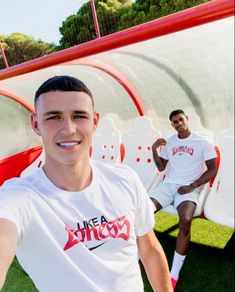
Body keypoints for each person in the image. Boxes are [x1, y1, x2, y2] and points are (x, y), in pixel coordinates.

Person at [0, 75, 172, 292]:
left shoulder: (125, 179)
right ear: (36, 124)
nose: (69, 129)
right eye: (54, 117)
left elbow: (149, 250)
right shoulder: (19, 197)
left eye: (79, 116)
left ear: (95, 121)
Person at [150, 109, 217, 290]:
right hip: (168, 186)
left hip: (188, 188)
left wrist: (192, 186)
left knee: (186, 220)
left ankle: (174, 273)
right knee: (144, 211)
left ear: (186, 120)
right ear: (172, 125)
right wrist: (154, 149)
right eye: (174, 121)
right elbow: (161, 166)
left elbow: (212, 169)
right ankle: (141, 254)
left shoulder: (202, 142)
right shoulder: (170, 142)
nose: (178, 123)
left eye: (180, 119)